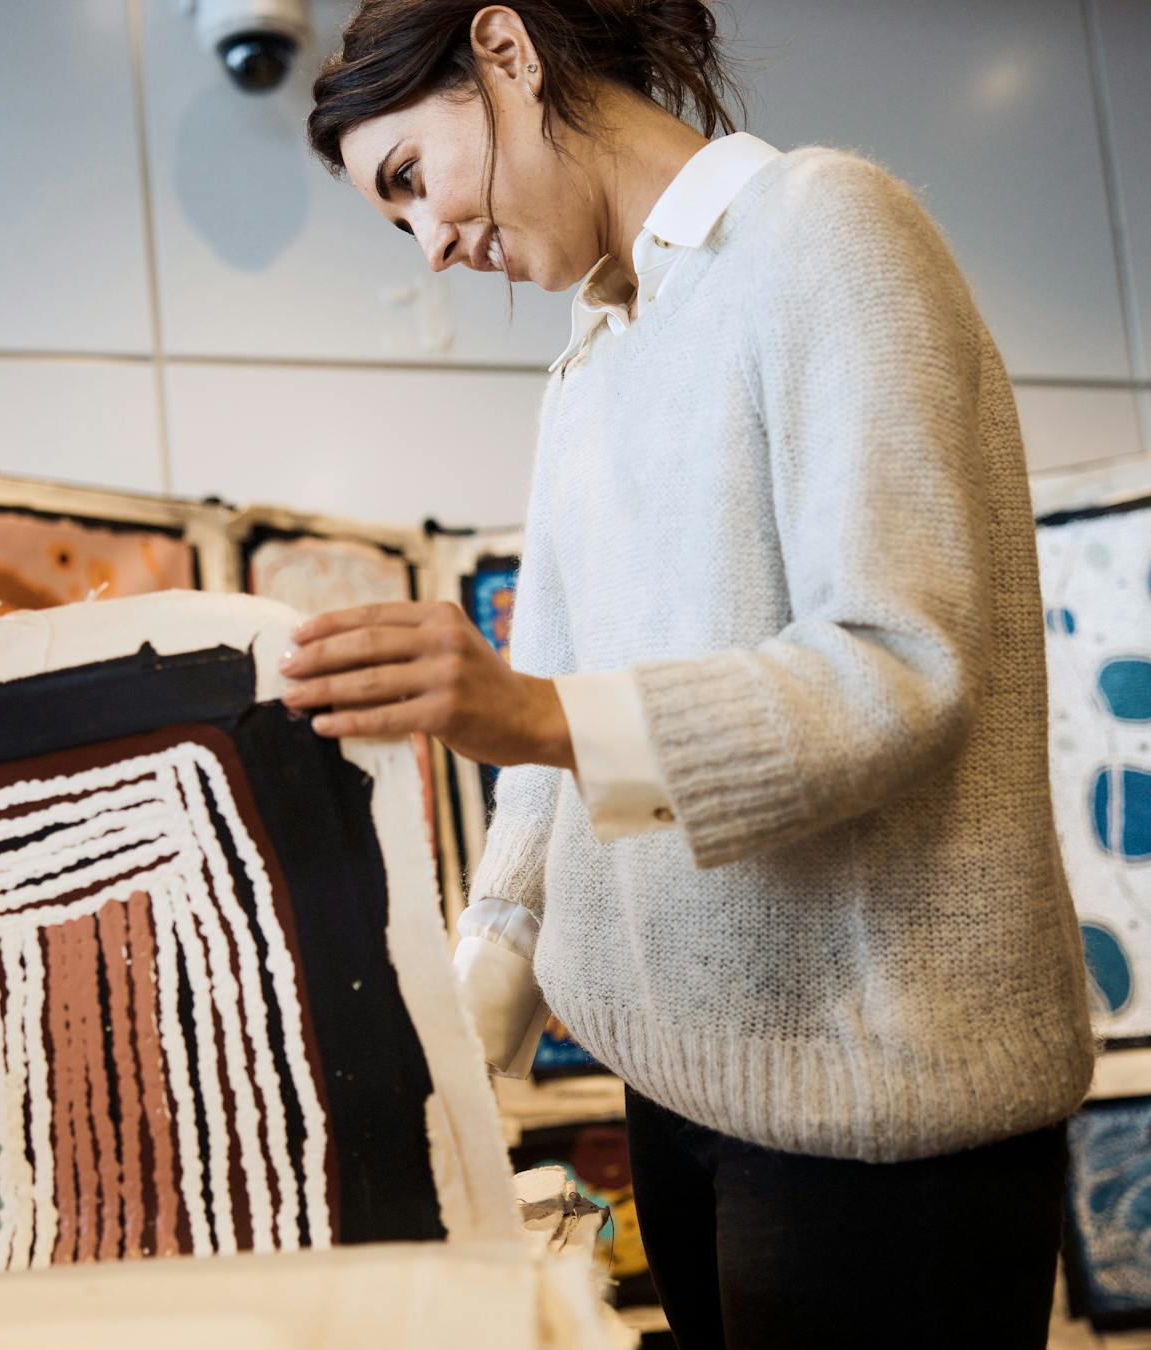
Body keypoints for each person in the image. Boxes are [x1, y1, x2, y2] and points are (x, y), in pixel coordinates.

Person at [284, 3, 1097, 1345]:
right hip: (674, 1089)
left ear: (506, 52)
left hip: (875, 1121)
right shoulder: (591, 360)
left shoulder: (825, 227)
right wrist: (469, 1017)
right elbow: (551, 724)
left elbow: (901, 668)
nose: (432, 244)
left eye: (413, 178)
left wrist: (529, 712)